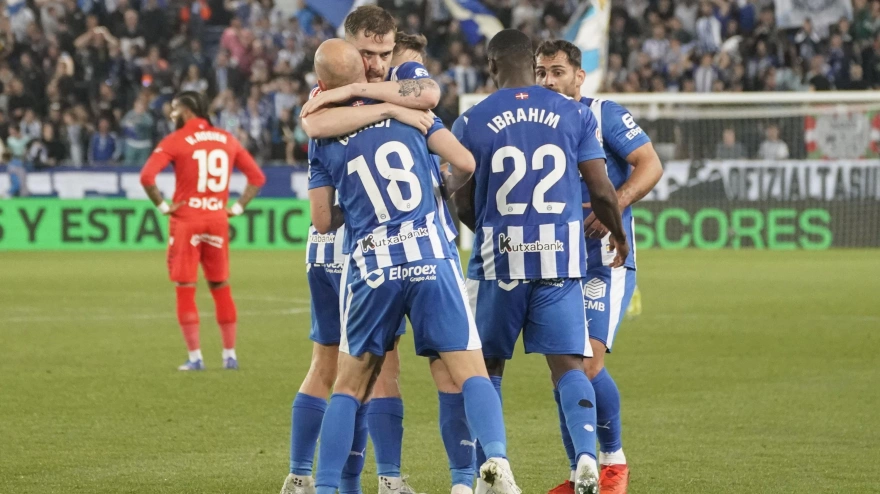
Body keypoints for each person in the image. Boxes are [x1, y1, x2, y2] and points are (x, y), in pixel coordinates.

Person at [307, 38, 521, 494]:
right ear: (367, 72)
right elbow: (465, 161)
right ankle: (496, 466)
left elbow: (322, 220)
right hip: (430, 255)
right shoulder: (413, 114)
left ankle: (326, 487)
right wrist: (436, 183)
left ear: (323, 83)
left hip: (373, 267)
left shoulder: (321, 129)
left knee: (350, 384)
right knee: (469, 372)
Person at [452, 29, 629, 494]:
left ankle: (495, 464)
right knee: (570, 366)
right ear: (533, 64)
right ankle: (588, 459)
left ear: (491, 68)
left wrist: (492, 229)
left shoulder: (471, 120)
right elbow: (600, 186)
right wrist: (617, 233)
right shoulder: (573, 113)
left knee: (485, 368)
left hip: (500, 262)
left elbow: (462, 201)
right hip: (561, 261)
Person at [282, 7, 444, 494]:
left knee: (328, 364)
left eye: (384, 55)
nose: (378, 65)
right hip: (364, 248)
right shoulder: (361, 91)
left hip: (327, 249)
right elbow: (426, 101)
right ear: (350, 49)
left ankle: (300, 475)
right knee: (376, 369)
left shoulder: (326, 94)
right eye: (369, 54)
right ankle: (387, 478)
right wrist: (387, 105)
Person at [536, 39, 664, 494]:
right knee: (563, 370)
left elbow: (649, 164)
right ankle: (579, 473)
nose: (548, 80)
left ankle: (612, 466)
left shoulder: (603, 111)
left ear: (578, 76)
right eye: (541, 72)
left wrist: (614, 208)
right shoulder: (535, 121)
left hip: (604, 260)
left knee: (586, 364)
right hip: (553, 260)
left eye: (556, 71)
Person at [139, 91, 266, 371]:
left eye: (174, 110)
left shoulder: (176, 140)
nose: (171, 116)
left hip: (186, 220)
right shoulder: (227, 139)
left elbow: (147, 176)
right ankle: (229, 355)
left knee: (186, 289)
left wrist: (162, 206)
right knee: (221, 287)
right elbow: (257, 177)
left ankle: (196, 358)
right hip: (217, 220)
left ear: (185, 111)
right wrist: (238, 208)